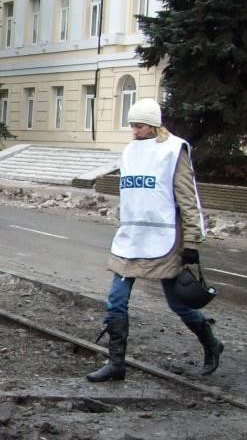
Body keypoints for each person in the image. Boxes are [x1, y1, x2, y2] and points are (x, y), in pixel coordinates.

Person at [88, 98, 223, 382]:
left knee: (178, 303)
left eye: (138, 126)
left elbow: (188, 199)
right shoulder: (129, 151)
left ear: (151, 125)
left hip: (164, 239)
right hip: (131, 239)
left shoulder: (174, 151)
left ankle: (211, 343)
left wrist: (191, 244)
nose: (133, 131)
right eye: (131, 126)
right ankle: (116, 364)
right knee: (116, 300)